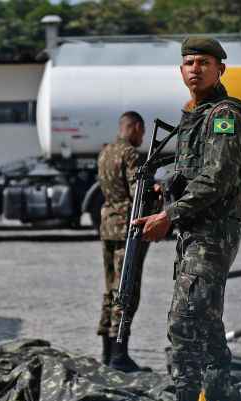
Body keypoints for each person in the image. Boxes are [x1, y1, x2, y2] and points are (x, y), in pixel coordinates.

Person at [132, 37, 241, 401]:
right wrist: (164, 184)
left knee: (185, 325)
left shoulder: (224, 114)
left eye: (204, 62)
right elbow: (193, 173)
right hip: (195, 235)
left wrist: (170, 215)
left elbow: (218, 177)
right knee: (208, 329)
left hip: (211, 236)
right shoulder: (194, 117)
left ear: (221, 68)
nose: (194, 69)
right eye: (188, 63)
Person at [97, 111, 151, 372]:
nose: (142, 137)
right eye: (142, 132)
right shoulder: (129, 154)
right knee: (126, 289)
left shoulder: (105, 151)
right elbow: (136, 193)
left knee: (110, 289)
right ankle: (120, 355)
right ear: (136, 127)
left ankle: (107, 353)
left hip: (107, 226)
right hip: (125, 231)